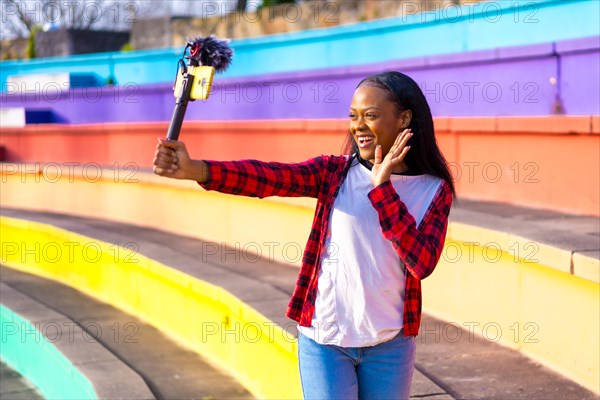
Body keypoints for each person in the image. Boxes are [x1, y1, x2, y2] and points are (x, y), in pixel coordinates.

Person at [153, 71, 455, 400]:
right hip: (324, 341)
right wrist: (196, 169)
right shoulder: (334, 173)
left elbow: (421, 263)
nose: (358, 126)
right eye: (353, 116)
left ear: (404, 119)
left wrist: (382, 189)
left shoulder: (433, 190)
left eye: (371, 115)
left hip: (390, 346)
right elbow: (270, 178)